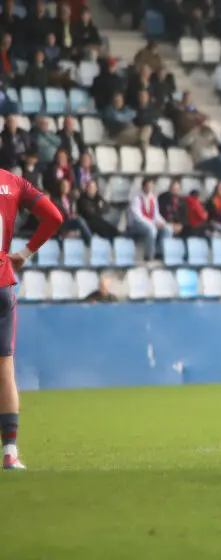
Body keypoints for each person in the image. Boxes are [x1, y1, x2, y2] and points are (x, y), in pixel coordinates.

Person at [1, 170, 64, 469]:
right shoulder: (13, 182)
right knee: (5, 367)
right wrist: (25, 253)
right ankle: (10, 452)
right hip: (3, 283)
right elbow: (54, 217)